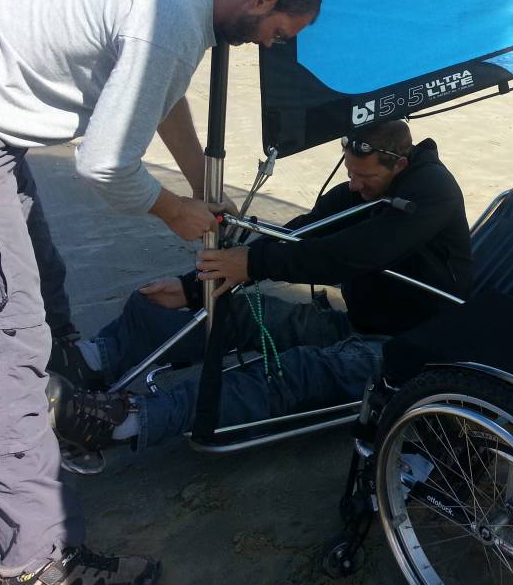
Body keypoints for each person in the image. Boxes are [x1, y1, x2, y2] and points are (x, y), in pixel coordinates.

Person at [0, 0, 321, 585]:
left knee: (44, 284)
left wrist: (201, 183)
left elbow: (160, 96)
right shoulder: (169, 22)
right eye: (276, 34)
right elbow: (104, 164)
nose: (265, 44)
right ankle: (40, 560)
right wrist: (172, 211)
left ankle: (57, 408)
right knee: (5, 341)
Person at [49, 120, 473, 454]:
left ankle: (129, 420)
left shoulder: (431, 193)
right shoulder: (364, 189)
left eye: (364, 176)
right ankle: (95, 359)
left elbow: (352, 254)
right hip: (357, 324)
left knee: (295, 370)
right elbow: (302, 234)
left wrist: (252, 265)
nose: (354, 185)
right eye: (349, 173)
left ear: (399, 165)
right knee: (232, 311)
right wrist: (195, 286)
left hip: (410, 351)